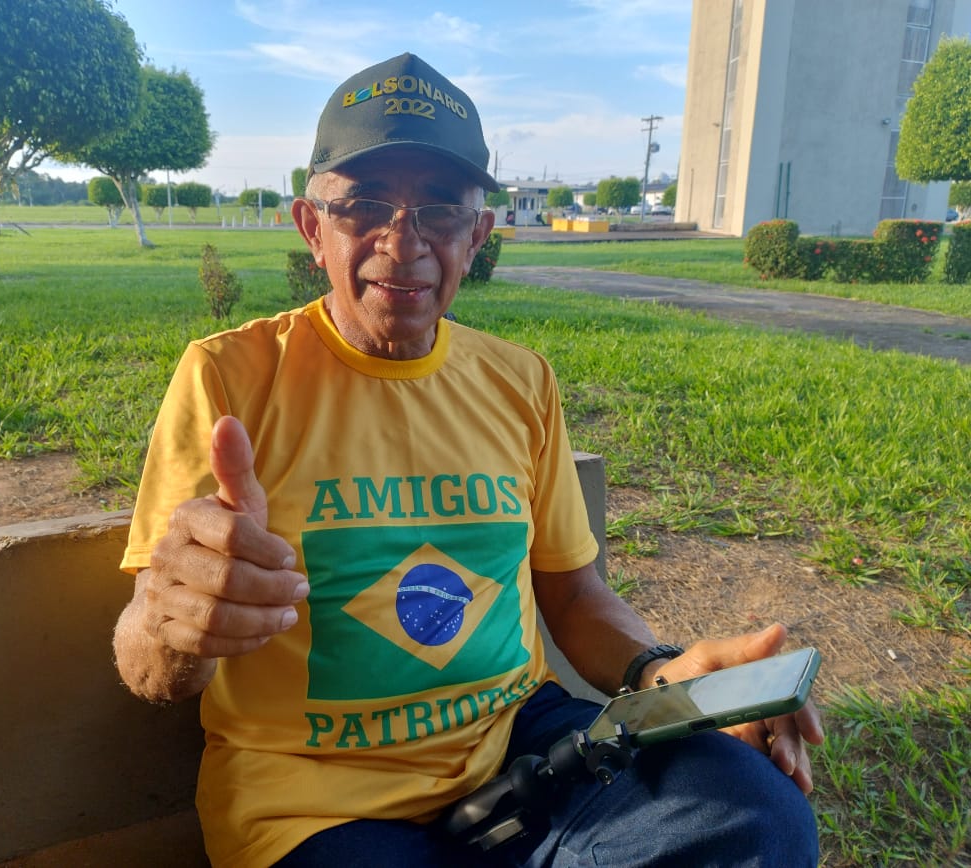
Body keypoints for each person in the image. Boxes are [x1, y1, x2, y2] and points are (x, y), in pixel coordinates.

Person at [113, 52, 823, 867]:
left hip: (526, 751)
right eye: (366, 206)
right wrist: (172, 628)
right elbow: (151, 658)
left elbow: (573, 592)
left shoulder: (519, 380)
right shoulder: (229, 378)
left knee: (759, 818)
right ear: (313, 229)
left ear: (478, 236)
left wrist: (663, 674)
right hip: (311, 800)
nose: (401, 241)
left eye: (440, 211)